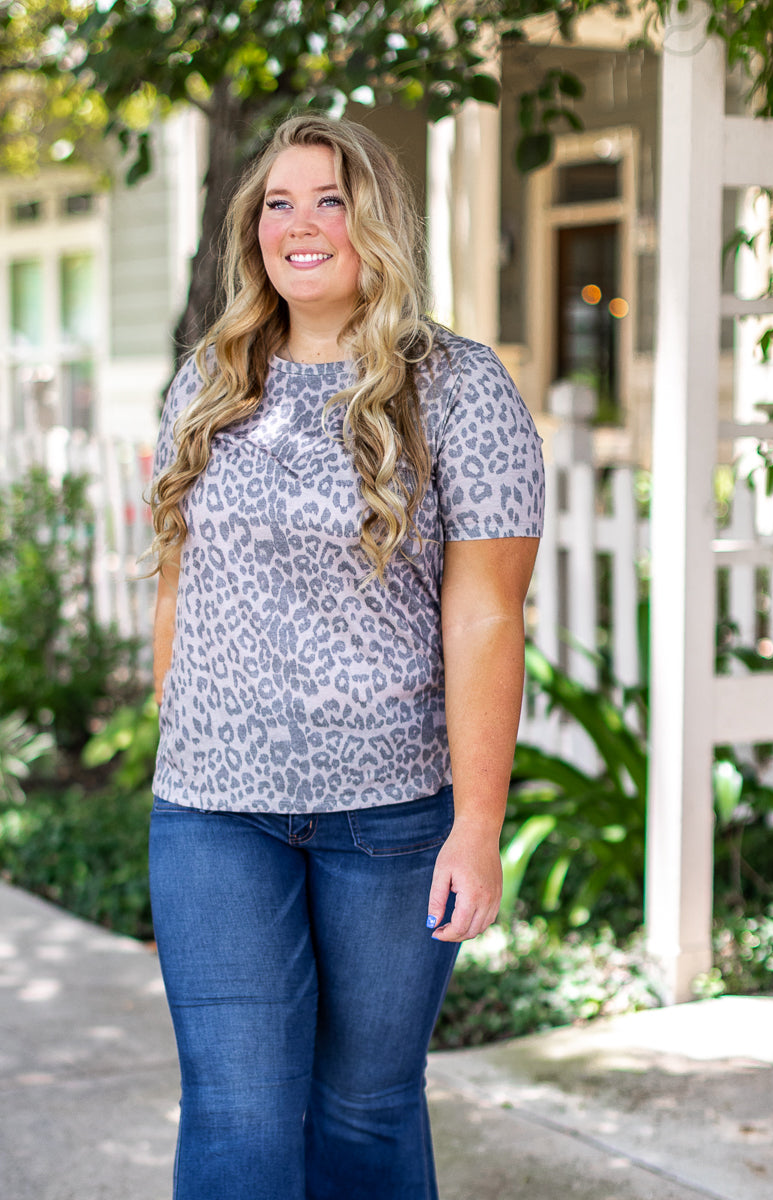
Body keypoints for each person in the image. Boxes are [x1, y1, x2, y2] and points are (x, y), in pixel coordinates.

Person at [147, 112, 544, 1200]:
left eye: (330, 199)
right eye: (278, 202)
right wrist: (172, 748)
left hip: (391, 819)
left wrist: (475, 826)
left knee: (364, 1112)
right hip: (214, 817)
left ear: (378, 224)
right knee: (237, 1120)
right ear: (253, 229)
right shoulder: (208, 383)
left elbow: (484, 619)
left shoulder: (458, 389)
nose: (300, 224)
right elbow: (179, 581)